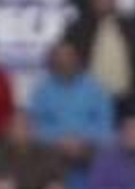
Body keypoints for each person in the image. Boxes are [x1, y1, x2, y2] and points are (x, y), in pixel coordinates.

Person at [63, 0, 135, 112]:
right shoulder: (77, 30)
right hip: (88, 101)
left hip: (129, 99)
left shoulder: (133, 27)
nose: (104, 0)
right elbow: (65, 63)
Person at [27, 41, 113, 170]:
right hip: (54, 148)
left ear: (77, 60)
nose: (65, 62)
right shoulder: (42, 90)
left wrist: (82, 140)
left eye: (69, 57)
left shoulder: (95, 88)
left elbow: (105, 125)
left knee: (109, 152)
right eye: (59, 58)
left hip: (89, 147)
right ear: (52, 62)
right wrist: (60, 140)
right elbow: (36, 126)